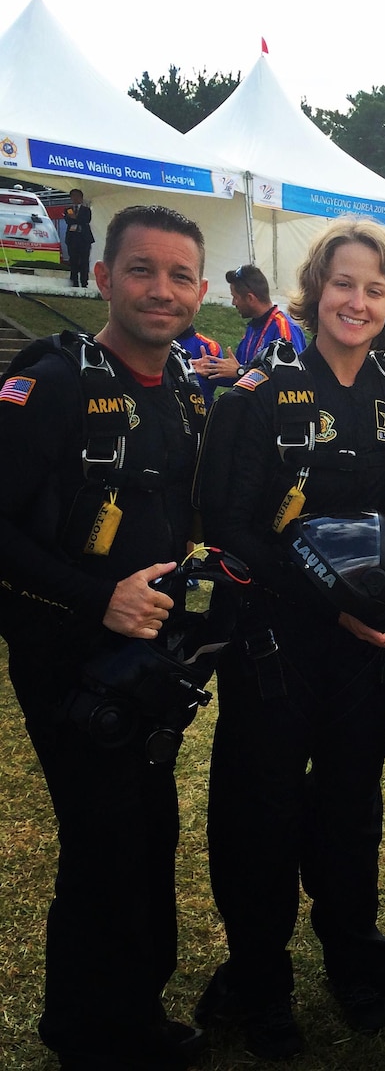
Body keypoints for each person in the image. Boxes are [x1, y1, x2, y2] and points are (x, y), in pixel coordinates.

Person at [193, 218, 385, 1060]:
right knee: (257, 813)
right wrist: (328, 601)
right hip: (274, 645)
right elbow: (229, 529)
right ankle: (257, 978)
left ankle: (352, 954)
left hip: (368, 652)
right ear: (316, 289)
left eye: (376, 288)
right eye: (344, 283)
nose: (358, 301)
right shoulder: (257, 397)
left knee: (348, 807)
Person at [0, 205, 210, 1069]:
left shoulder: (187, 393)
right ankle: (93, 1037)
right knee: (105, 844)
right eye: (141, 270)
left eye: (178, 275)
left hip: (149, 669)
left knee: (140, 836)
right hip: (70, 664)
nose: (161, 290)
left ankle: (128, 1017)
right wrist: (98, 602)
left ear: (200, 290)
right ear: (102, 277)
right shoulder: (48, 384)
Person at [192, 263, 307, 390]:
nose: (233, 303)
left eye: (235, 297)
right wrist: (210, 370)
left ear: (250, 298)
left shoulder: (283, 328)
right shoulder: (253, 328)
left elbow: (289, 380)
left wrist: (241, 371)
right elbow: (237, 376)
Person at [176, 323, 223, 404]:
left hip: (199, 412)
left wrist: (210, 373)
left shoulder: (208, 346)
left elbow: (229, 380)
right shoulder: (151, 341)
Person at [62, 188, 94, 288]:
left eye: (77, 196)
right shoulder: (69, 209)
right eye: (73, 196)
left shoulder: (86, 210)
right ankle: (74, 281)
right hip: (72, 238)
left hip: (84, 239)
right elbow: (69, 221)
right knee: (73, 260)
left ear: (81, 198)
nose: (75, 198)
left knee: (84, 260)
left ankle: (84, 281)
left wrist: (75, 218)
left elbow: (85, 220)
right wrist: (75, 219)